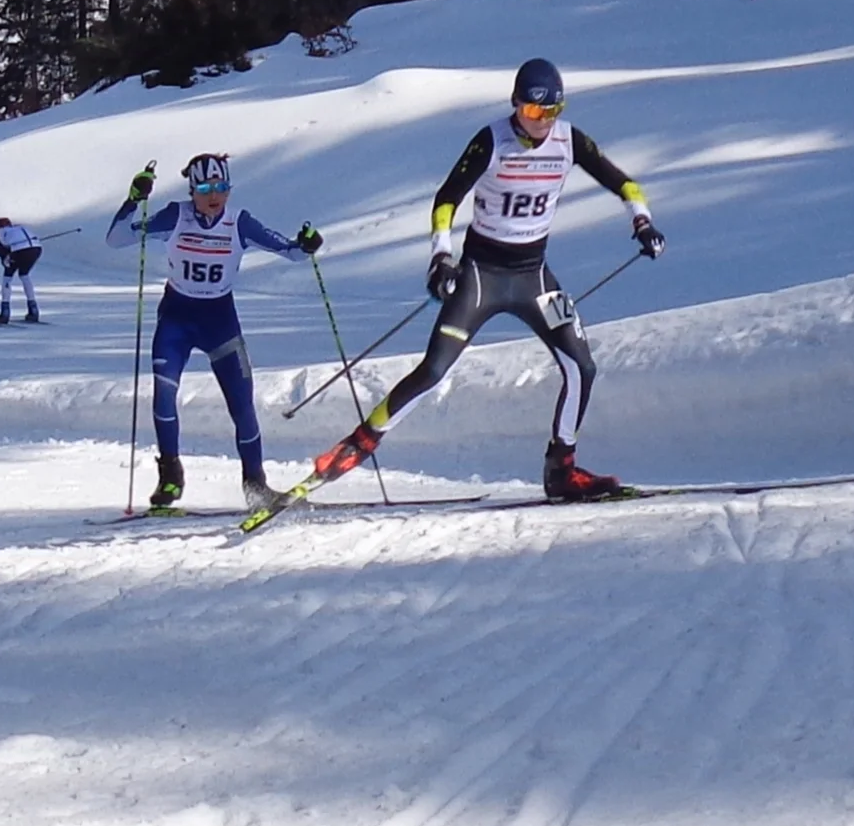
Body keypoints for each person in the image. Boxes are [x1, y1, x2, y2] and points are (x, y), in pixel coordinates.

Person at [312, 58, 665, 500]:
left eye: (551, 113)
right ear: (516, 105)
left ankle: (562, 469)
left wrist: (643, 222)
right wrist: (442, 257)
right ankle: (357, 443)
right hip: (481, 275)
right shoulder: (491, 140)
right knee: (435, 371)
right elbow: (447, 199)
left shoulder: (568, 141)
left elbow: (625, 184)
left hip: (535, 277)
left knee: (582, 367)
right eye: (533, 113)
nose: (541, 123)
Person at [107, 154, 323, 508]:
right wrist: (134, 199)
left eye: (221, 188)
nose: (213, 196)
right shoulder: (176, 216)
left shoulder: (239, 223)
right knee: (163, 395)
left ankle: (256, 485)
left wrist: (308, 243)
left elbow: (292, 252)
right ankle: (171, 478)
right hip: (177, 319)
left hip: (219, 322)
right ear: (192, 190)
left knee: (241, 406)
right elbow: (116, 240)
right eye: (205, 188)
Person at [0, 217, 42, 324]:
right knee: (24, 275)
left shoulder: (0, 234)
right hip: (36, 249)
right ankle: (34, 310)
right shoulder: (20, 228)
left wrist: (6, 262)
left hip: (18, 251)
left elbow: (0, 251)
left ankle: (5, 312)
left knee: (7, 278)